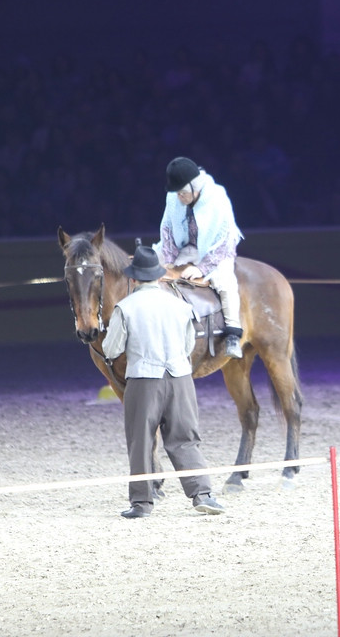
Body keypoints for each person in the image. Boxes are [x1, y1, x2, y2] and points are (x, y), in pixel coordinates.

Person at [101, 244, 225, 518]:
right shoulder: (180, 305)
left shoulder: (125, 307)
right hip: (180, 378)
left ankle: (142, 502)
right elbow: (189, 343)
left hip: (144, 380)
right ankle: (202, 494)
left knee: (141, 441)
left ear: (133, 279)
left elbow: (111, 349)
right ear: (158, 276)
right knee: (185, 438)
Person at [153, 156, 245, 359]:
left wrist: (202, 269)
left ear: (195, 188)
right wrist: (167, 259)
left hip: (215, 252)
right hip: (184, 248)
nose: (179, 198)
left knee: (225, 281)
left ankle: (232, 333)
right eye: (177, 193)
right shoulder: (174, 197)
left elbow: (225, 240)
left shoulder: (218, 197)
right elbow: (167, 228)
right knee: (149, 265)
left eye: (183, 193)